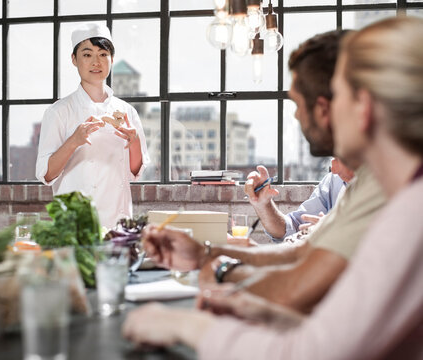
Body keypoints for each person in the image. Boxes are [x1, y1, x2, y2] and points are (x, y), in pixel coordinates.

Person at [123, 17, 423, 359]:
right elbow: (346, 330)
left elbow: (310, 351)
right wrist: (258, 309)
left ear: (363, 107)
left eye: (336, 95)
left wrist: (183, 324)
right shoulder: (401, 195)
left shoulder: (409, 212)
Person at [142, 29, 386, 313]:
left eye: (297, 103)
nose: (295, 115)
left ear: (325, 107)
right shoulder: (357, 183)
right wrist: (202, 253)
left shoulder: (389, 188)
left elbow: (299, 286)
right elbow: (295, 246)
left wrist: (219, 269)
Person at [35, 23, 150, 229]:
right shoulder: (59, 111)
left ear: (112, 59)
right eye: (87, 55)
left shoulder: (127, 111)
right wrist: (74, 141)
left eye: (103, 54)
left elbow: (134, 172)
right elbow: (46, 174)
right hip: (75, 225)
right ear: (74, 59)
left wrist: (134, 142)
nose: (96, 62)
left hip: (118, 224)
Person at [245, 157, 354, 242]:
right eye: (332, 158)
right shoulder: (332, 182)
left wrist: (334, 232)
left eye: (342, 159)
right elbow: (291, 229)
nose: (333, 169)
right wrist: (263, 205)